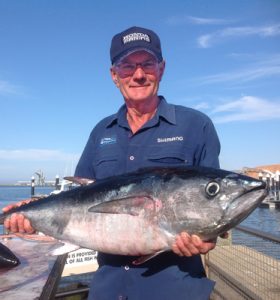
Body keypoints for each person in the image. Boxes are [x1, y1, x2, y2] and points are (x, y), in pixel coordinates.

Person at [3, 26, 221, 299]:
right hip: (107, 288)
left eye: (147, 64)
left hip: (174, 288)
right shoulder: (101, 132)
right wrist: (31, 215)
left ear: (162, 69)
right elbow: (77, 201)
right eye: (127, 66)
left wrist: (207, 238)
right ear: (114, 76)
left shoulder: (195, 125)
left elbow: (213, 202)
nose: (138, 75)